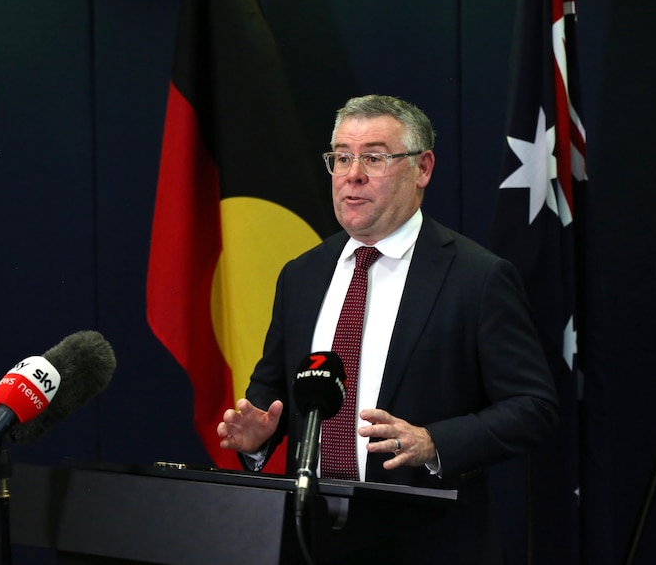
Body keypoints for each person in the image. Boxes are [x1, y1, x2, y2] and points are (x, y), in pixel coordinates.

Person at [217, 94, 559, 564]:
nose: (352, 174)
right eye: (341, 157)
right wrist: (256, 439)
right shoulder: (302, 275)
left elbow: (533, 408)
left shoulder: (477, 277)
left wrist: (434, 441)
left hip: (426, 543)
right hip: (310, 539)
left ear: (422, 169)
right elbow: (271, 393)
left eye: (374, 158)